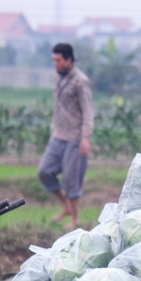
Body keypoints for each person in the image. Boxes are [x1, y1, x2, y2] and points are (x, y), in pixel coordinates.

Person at [38, 43, 94, 229]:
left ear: (69, 60)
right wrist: (54, 132)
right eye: (53, 60)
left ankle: (75, 219)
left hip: (75, 138)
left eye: (58, 60)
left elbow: (88, 111)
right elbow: (57, 109)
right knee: (45, 171)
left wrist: (85, 137)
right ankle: (66, 207)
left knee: (71, 179)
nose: (55, 64)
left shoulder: (80, 81)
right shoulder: (58, 79)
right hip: (58, 136)